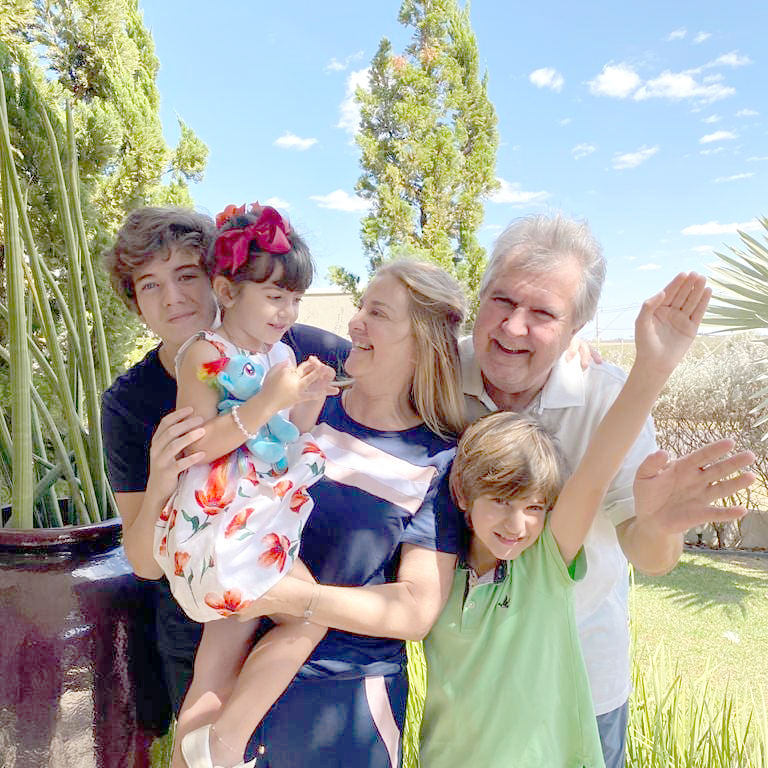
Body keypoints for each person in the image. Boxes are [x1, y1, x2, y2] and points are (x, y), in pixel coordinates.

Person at [419, 273, 755, 767]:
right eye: (501, 500)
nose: (518, 524)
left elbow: (595, 471)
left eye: (534, 507)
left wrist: (653, 368)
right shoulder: (434, 569)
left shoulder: (544, 567)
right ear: (462, 495)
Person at [100, 206, 351, 768]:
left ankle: (210, 748)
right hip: (203, 579)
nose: (173, 299)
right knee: (233, 668)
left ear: (219, 282)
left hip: (266, 549)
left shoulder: (285, 342)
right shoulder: (131, 402)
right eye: (149, 285)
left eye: (185, 275)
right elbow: (142, 560)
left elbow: (391, 355)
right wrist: (165, 475)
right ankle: (215, 746)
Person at [227, 259, 467, 767]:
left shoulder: (438, 461)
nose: (355, 322)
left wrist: (299, 599)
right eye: (361, 306)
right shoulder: (306, 407)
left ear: (422, 341)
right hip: (246, 678)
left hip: (347, 703)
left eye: (377, 312)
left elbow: (416, 609)